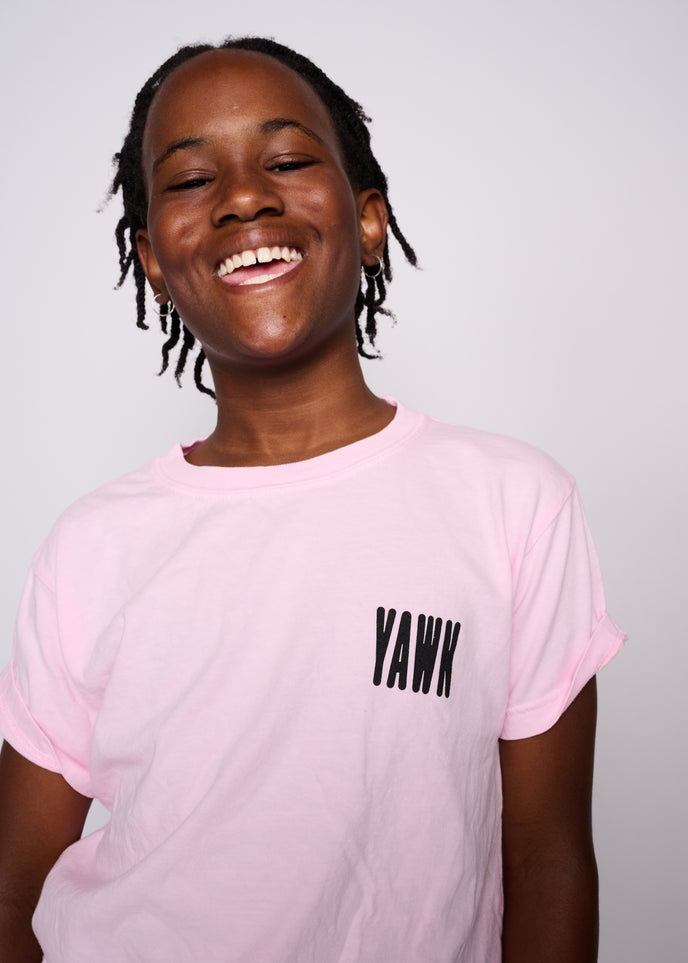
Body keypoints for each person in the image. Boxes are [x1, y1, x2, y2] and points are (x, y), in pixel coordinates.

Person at [0, 37, 626, 963]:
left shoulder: (513, 504)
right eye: (187, 181)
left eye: (287, 161)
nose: (245, 197)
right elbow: (15, 882)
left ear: (369, 218)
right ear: (153, 262)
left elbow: (549, 863)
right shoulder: (95, 544)